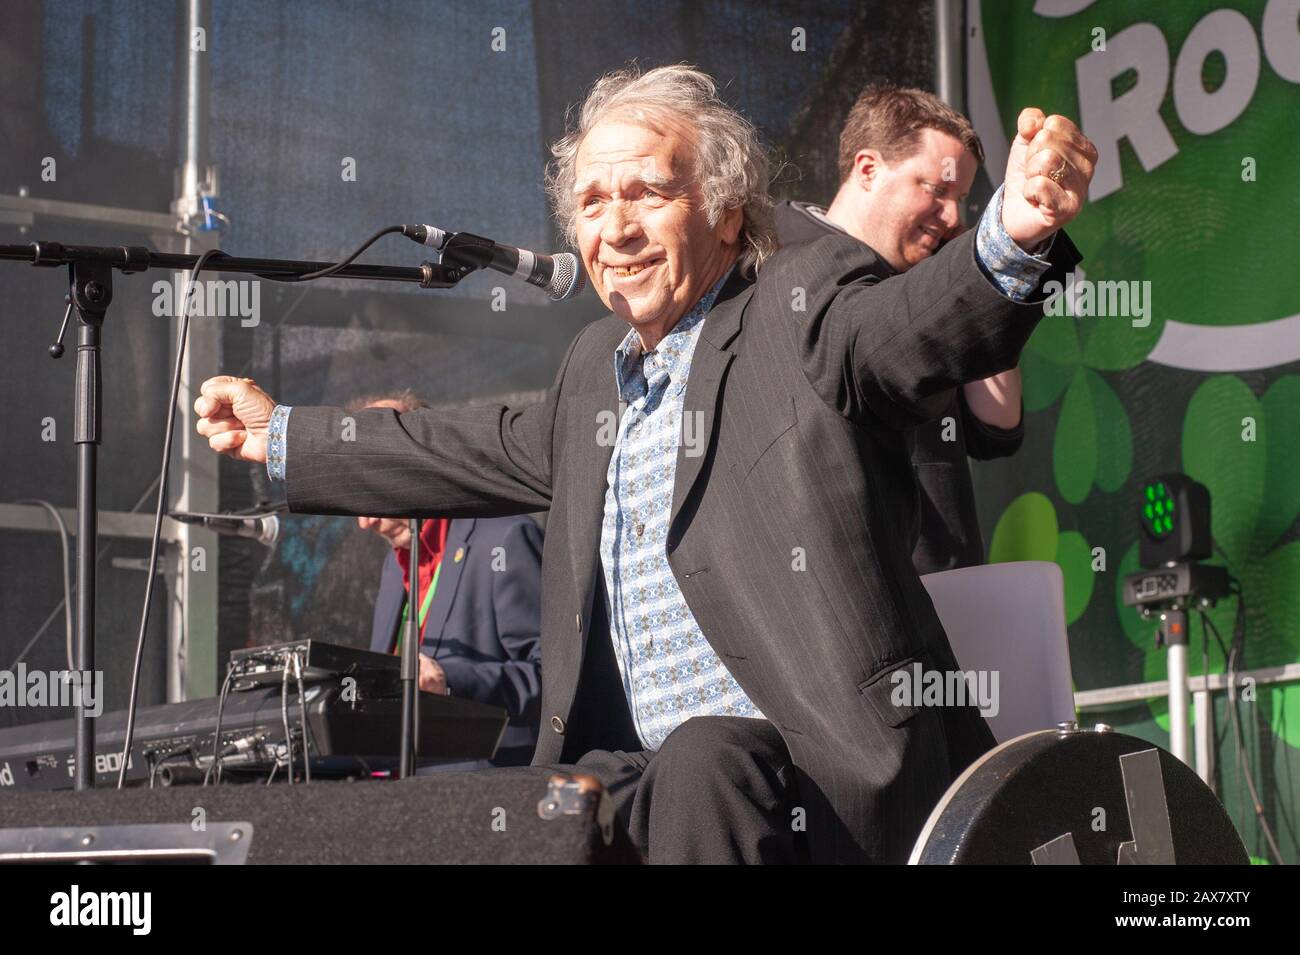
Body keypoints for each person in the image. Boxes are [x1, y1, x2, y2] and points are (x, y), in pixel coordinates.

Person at [195, 64, 1096, 864]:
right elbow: (468, 440)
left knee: (705, 757)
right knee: (531, 809)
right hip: (656, 772)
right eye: (592, 204)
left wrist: (1012, 241)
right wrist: (281, 433)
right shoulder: (597, 366)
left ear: (724, 209)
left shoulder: (800, 297)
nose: (615, 227)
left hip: (820, 773)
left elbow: (912, 326)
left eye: (648, 194)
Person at [774, 86, 1033, 573]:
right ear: (868, 169)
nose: (954, 216)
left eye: (960, 199)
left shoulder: (927, 279)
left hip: (946, 589)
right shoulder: (772, 266)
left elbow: (997, 431)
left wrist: (978, 280)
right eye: (936, 190)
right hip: (840, 589)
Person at [352, 391, 543, 768]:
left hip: (484, 790)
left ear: (422, 462)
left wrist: (449, 681)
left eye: (370, 488)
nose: (365, 523)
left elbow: (556, 680)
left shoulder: (504, 539)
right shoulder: (394, 565)